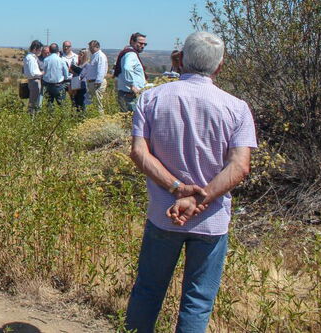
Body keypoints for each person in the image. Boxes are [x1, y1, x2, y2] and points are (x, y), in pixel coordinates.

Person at [126, 31, 256, 333]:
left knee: (147, 291)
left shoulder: (152, 98)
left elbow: (138, 152)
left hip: (164, 215)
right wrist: (201, 198)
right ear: (220, 67)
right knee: (197, 302)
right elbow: (240, 166)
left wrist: (176, 188)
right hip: (210, 221)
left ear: (181, 60)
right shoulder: (236, 108)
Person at [115, 32, 149, 112]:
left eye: (145, 44)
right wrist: (132, 86)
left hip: (126, 93)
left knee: (127, 120)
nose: (143, 46)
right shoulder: (131, 54)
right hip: (130, 95)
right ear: (132, 42)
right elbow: (127, 68)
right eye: (140, 43)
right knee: (133, 121)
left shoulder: (127, 52)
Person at [83, 40, 109, 112]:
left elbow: (101, 69)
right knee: (91, 102)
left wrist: (98, 81)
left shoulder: (100, 56)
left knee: (98, 103)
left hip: (97, 83)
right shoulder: (94, 56)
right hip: (92, 82)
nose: (90, 49)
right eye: (89, 48)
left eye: (91, 47)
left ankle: (100, 120)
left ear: (96, 47)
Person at [22, 40, 44, 114]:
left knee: (34, 101)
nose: (40, 52)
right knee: (33, 102)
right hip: (34, 81)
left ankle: (32, 117)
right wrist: (42, 73)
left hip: (34, 81)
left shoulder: (31, 57)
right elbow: (32, 73)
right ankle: (31, 118)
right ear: (35, 49)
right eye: (40, 50)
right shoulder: (31, 58)